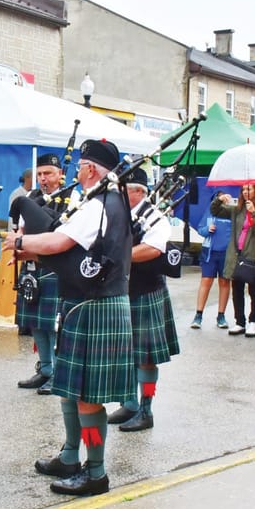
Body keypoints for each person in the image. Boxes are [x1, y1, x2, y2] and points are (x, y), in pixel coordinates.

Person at [3, 139, 134, 497]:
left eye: (79, 166)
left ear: (92, 169)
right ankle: (71, 456)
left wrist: (19, 244)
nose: (76, 172)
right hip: (88, 304)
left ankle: (95, 473)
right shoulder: (111, 202)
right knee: (70, 389)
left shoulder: (101, 205)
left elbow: (58, 243)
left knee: (88, 396)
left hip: (96, 306)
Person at [108, 168, 179, 432]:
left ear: (139, 191)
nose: (120, 195)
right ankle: (129, 403)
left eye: (124, 191)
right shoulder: (120, 213)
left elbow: (152, 249)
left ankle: (146, 409)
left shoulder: (155, 217)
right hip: (121, 290)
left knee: (146, 357)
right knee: (125, 353)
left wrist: (118, 256)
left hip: (146, 291)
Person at [14, 153, 68, 395]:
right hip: (32, 265)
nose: (43, 179)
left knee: (52, 325)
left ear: (60, 175)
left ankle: (57, 372)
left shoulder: (71, 198)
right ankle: (45, 369)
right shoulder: (32, 197)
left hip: (55, 266)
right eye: (40, 174)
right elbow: (21, 229)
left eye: (48, 173)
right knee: (36, 321)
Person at [211, 183, 255, 337]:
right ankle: (239, 322)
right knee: (236, 289)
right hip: (236, 254)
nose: (245, 192)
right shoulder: (237, 208)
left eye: (249, 189)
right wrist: (219, 199)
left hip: (253, 255)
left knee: (254, 290)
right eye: (243, 189)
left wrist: (254, 213)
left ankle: (254, 322)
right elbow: (216, 211)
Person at [190, 192, 231, 329]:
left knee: (224, 282)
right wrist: (207, 229)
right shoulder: (209, 212)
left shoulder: (232, 212)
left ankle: (221, 315)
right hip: (210, 253)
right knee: (206, 281)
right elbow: (201, 230)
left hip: (226, 254)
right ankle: (198, 315)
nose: (224, 200)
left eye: (226, 197)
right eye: (220, 198)